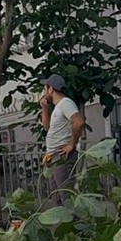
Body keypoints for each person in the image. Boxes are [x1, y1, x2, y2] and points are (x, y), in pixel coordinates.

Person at [39, 73, 85, 205]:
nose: (44, 92)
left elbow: (78, 121)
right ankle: (65, 224)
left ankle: (74, 223)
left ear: (51, 89)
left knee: (66, 195)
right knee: (57, 197)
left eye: (45, 88)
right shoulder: (57, 107)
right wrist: (45, 108)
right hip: (54, 157)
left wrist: (72, 144)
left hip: (62, 157)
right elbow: (47, 127)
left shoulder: (66, 103)